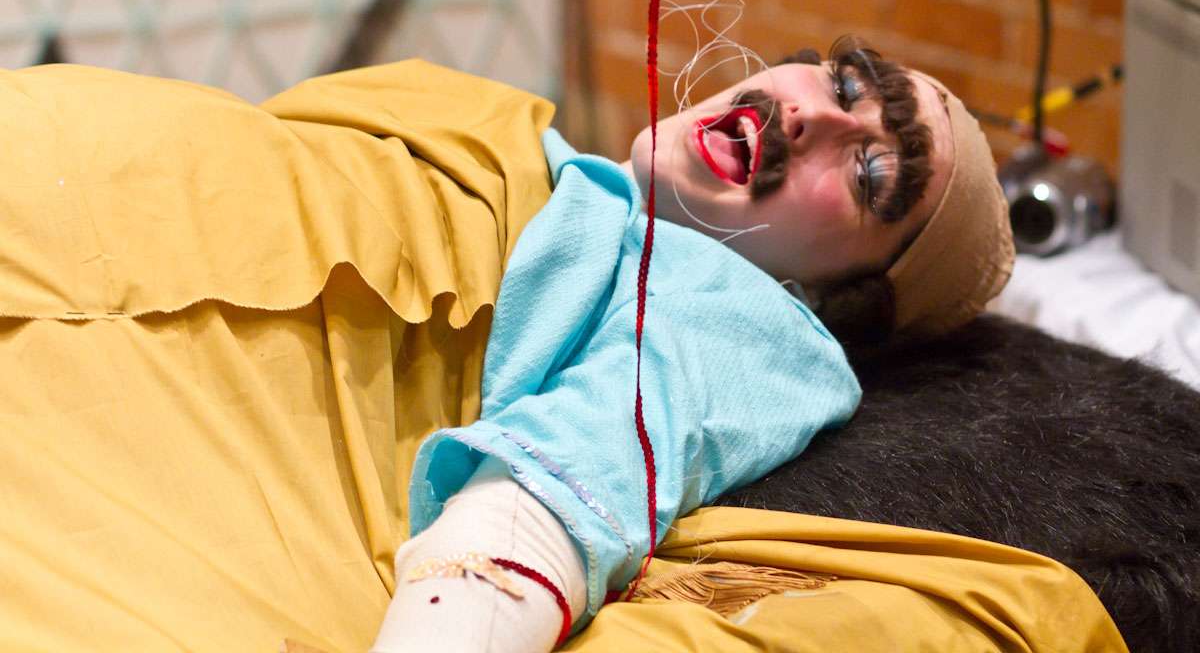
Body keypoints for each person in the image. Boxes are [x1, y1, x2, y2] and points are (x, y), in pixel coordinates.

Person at [369, 38, 1015, 652]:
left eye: (867, 174)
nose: (809, 115)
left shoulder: (748, 327)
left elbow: (527, 521)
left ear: (843, 298)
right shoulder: (601, 198)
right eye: (844, 86)